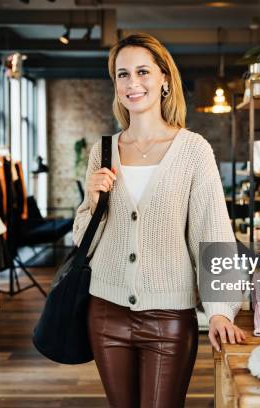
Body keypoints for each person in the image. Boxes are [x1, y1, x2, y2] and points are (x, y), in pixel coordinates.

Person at [72, 32, 246, 408]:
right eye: (122, 75)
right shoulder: (103, 150)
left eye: (142, 72)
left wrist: (219, 311)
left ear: (165, 79)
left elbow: (213, 232)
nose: (133, 83)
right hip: (105, 312)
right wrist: (91, 200)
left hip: (169, 318)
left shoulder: (193, 151)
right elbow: (82, 242)